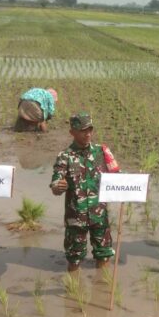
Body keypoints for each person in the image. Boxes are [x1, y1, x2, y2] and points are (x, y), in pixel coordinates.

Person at [50, 112, 120, 272]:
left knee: (104, 254)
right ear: (72, 132)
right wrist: (57, 186)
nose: (87, 133)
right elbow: (56, 182)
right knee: (74, 257)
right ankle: (73, 287)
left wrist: (134, 184)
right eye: (82, 130)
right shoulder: (65, 156)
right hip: (76, 218)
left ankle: (101, 287)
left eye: (90, 129)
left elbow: (116, 176)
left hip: (99, 215)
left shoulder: (101, 152)